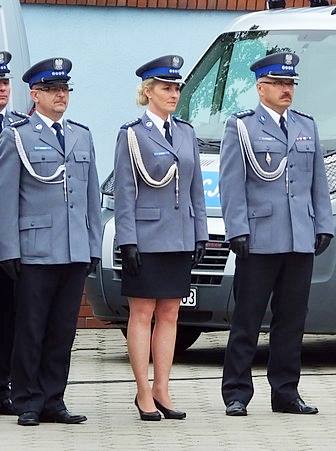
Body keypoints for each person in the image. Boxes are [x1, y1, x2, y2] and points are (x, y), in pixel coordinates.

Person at [219, 51, 333, 416]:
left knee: (292, 320)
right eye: (279, 83)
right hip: (260, 237)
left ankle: (286, 392)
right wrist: (237, 229)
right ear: (260, 87)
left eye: (290, 83)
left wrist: (323, 223)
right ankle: (237, 392)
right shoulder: (242, 127)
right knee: (247, 318)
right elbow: (231, 184)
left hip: (299, 236)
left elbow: (318, 181)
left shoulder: (305, 126)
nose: (287, 90)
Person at [0, 57, 101, 426]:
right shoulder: (18, 136)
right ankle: (28, 399)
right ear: (35, 95)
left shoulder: (81, 135)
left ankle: (54, 399)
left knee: (62, 330)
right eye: (52, 89)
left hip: (73, 250)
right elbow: (6, 198)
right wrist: (8, 249)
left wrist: (92, 246)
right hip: (36, 250)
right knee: (31, 329)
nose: (61, 95)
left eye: (64, 89)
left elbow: (90, 198)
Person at [113, 55, 209, 421]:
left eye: (177, 88)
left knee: (170, 313)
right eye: (166, 88)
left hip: (180, 235)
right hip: (146, 235)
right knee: (142, 312)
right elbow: (124, 190)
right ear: (148, 91)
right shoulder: (132, 134)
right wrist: (127, 240)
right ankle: (142, 391)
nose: (174, 94)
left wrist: (200, 233)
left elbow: (196, 189)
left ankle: (162, 388)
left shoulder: (185, 132)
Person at [0, 50, 29, 417]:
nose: (2, 88)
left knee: (9, 315)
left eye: (5, 81)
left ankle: (3, 386)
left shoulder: (20, 127)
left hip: (10, 238)